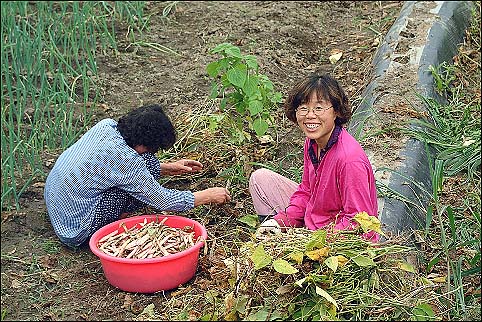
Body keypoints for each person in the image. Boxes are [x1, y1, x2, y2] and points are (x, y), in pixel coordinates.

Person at [44, 104, 231, 248]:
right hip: (76, 229)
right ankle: (115, 220)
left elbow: (111, 166)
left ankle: (119, 211)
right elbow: (162, 200)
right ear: (144, 143)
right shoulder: (127, 161)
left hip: (58, 200)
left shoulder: (107, 126)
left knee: (143, 165)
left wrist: (167, 168)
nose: (154, 152)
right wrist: (207, 196)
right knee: (132, 189)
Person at [249, 73, 379, 241]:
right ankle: (271, 238)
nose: (310, 115)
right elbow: (307, 191)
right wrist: (280, 222)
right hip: (316, 218)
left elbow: (360, 223)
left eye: (319, 108)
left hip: (335, 239)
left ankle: (282, 243)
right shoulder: (313, 142)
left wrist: (313, 239)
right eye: (303, 108)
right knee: (260, 179)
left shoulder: (349, 160)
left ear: (336, 111)